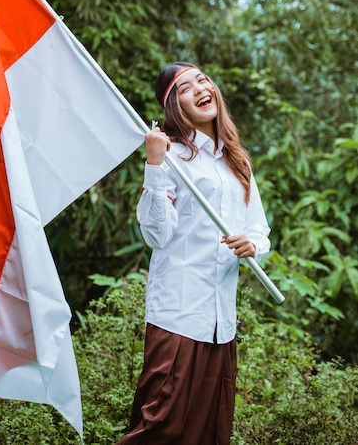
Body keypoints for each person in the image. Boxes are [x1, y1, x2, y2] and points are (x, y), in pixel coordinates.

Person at [115, 62, 271, 445]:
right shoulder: (171, 158)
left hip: (222, 323)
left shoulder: (238, 163)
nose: (201, 88)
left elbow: (259, 229)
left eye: (202, 80)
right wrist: (154, 163)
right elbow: (156, 234)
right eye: (185, 87)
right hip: (178, 315)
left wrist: (253, 246)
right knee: (156, 428)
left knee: (209, 433)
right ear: (174, 105)